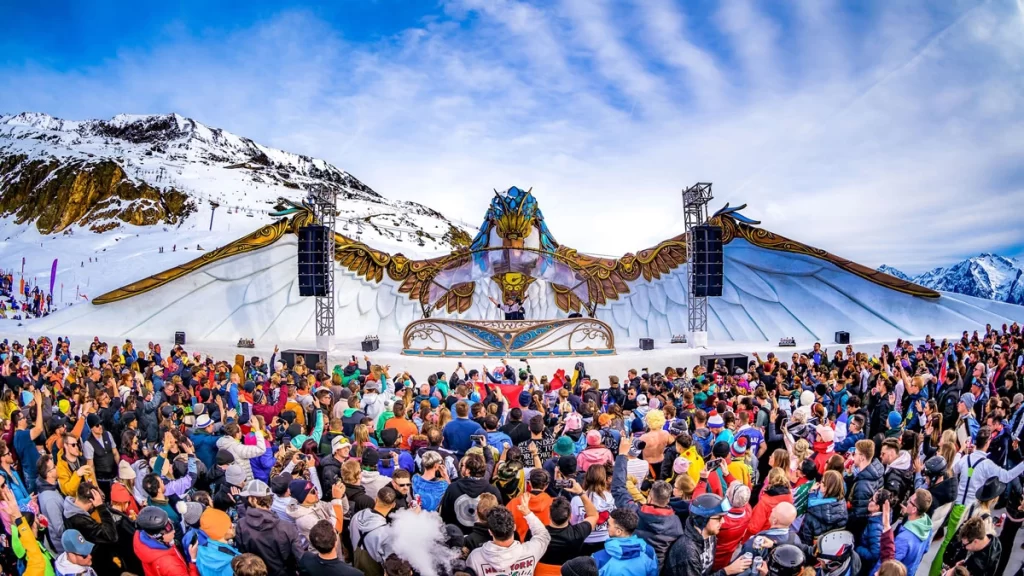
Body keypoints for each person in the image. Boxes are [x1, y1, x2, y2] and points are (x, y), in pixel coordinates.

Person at [664, 493, 752, 576]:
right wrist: (727, 571)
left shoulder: (710, 534)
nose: (723, 521)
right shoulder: (687, 552)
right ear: (702, 520)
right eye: (719, 518)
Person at [467, 493, 551, 576]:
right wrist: (527, 513)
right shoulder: (530, 551)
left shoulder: (475, 557)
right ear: (514, 527)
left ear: (490, 532)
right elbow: (543, 535)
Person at [235, 479, 306, 576]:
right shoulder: (287, 527)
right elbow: (300, 558)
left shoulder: (241, 525)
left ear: (254, 499)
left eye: (248, 497)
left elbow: (243, 554)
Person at [536, 481, 598, 575]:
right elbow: (593, 515)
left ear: (549, 515)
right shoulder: (577, 533)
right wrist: (581, 493)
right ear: (570, 517)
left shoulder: (536, 532)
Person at [61, 481, 120, 575]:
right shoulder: (81, 522)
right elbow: (112, 537)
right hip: (96, 561)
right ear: (91, 502)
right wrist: (101, 507)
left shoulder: (68, 507)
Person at [134, 505, 199, 576]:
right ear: (157, 536)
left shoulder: (142, 536)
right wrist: (193, 560)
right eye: (168, 529)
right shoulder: (171, 566)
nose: (174, 531)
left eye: (170, 523)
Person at [591, 508, 658, 576]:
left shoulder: (597, 558)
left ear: (618, 531)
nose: (606, 527)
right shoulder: (649, 552)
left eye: (608, 524)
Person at [350, 485, 397, 576]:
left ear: (376, 499)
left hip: (355, 566)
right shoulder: (387, 533)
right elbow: (389, 564)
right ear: (393, 505)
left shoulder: (357, 516)